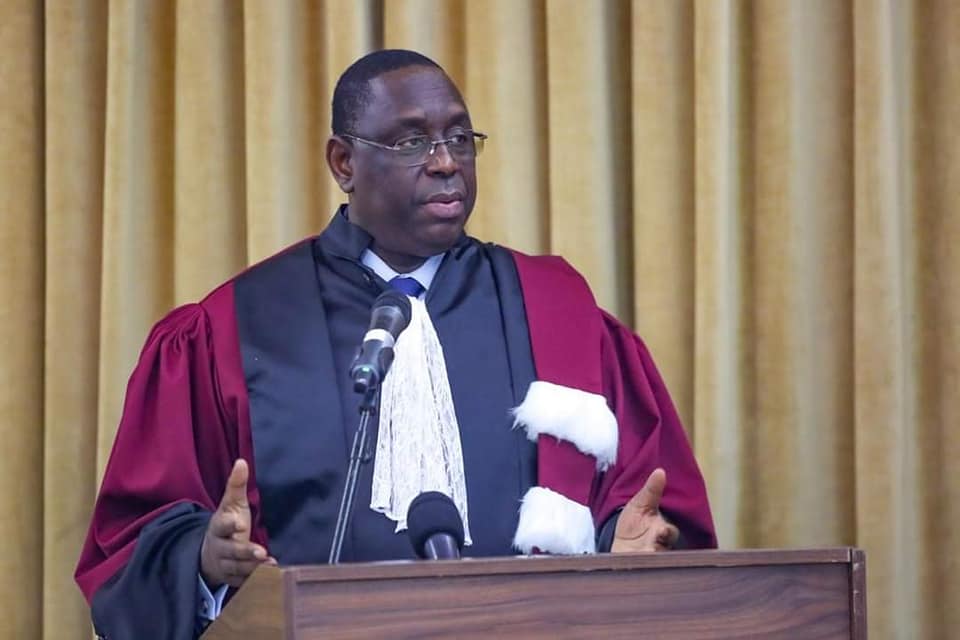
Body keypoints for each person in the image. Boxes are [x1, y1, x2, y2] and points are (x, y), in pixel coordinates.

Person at [75, 49, 716, 639]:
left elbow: (650, 508)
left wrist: (625, 545)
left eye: (459, 138)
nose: (445, 162)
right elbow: (131, 544)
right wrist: (206, 558)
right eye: (412, 142)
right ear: (344, 163)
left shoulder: (557, 315)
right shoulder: (230, 330)